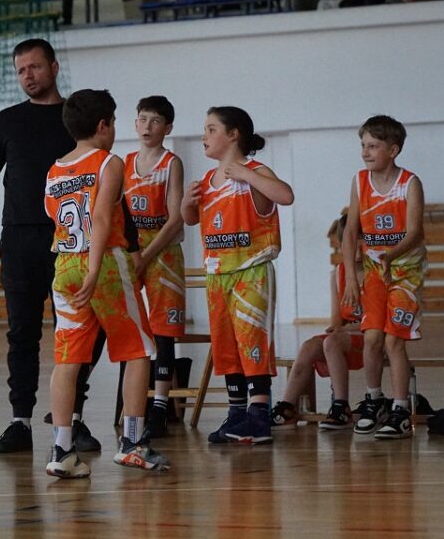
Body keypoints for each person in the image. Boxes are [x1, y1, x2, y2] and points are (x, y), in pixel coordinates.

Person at [0, 38, 101, 454]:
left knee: (78, 332)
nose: (28, 76)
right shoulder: (8, 120)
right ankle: (20, 422)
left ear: (54, 67)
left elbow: (101, 177)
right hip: (19, 240)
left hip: (70, 242)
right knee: (22, 334)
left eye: (35, 67)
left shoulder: (75, 118)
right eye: (20, 70)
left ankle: (73, 418)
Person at [44, 89, 168, 478]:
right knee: (138, 350)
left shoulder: (54, 169)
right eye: (113, 122)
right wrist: (95, 267)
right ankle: (132, 443)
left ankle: (61, 450)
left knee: (67, 360)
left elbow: (58, 219)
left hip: (64, 265)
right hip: (104, 263)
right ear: (103, 125)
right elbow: (100, 219)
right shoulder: (109, 162)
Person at [181, 106, 295, 445]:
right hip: (218, 274)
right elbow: (190, 219)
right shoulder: (207, 180)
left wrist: (246, 175)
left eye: (211, 129)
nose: (204, 136)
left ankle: (259, 415)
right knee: (226, 346)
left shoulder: (255, 171)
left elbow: (286, 195)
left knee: (252, 342)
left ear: (233, 135)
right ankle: (236, 413)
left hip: (251, 270)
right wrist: (186, 201)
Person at [342, 115, 426, 439]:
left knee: (393, 340)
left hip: (405, 271)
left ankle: (401, 409)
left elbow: (415, 232)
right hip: (375, 271)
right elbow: (351, 232)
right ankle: (375, 399)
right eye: (363, 145)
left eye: (373, 146)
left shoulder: (410, 183)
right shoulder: (359, 181)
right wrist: (352, 277)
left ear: (393, 150)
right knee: (372, 338)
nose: (365, 152)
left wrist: (390, 256)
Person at [123, 96, 186, 438]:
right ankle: (133, 405)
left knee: (163, 330)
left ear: (168, 128)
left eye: (156, 121)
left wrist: (145, 256)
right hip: (131, 251)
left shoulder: (171, 163)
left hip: (162, 253)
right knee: (133, 327)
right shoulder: (124, 163)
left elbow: (175, 219)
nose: (148, 126)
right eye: (143, 119)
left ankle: (160, 407)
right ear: (135, 123)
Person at [271, 213, 366, 430]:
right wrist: (342, 328)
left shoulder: (378, 272)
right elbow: (336, 320)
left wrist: (346, 328)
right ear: (341, 246)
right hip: (347, 336)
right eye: (350, 243)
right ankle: (287, 407)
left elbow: (377, 323)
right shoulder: (337, 274)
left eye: (361, 241)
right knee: (309, 346)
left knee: (332, 342)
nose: (357, 250)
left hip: (372, 338)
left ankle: (341, 407)